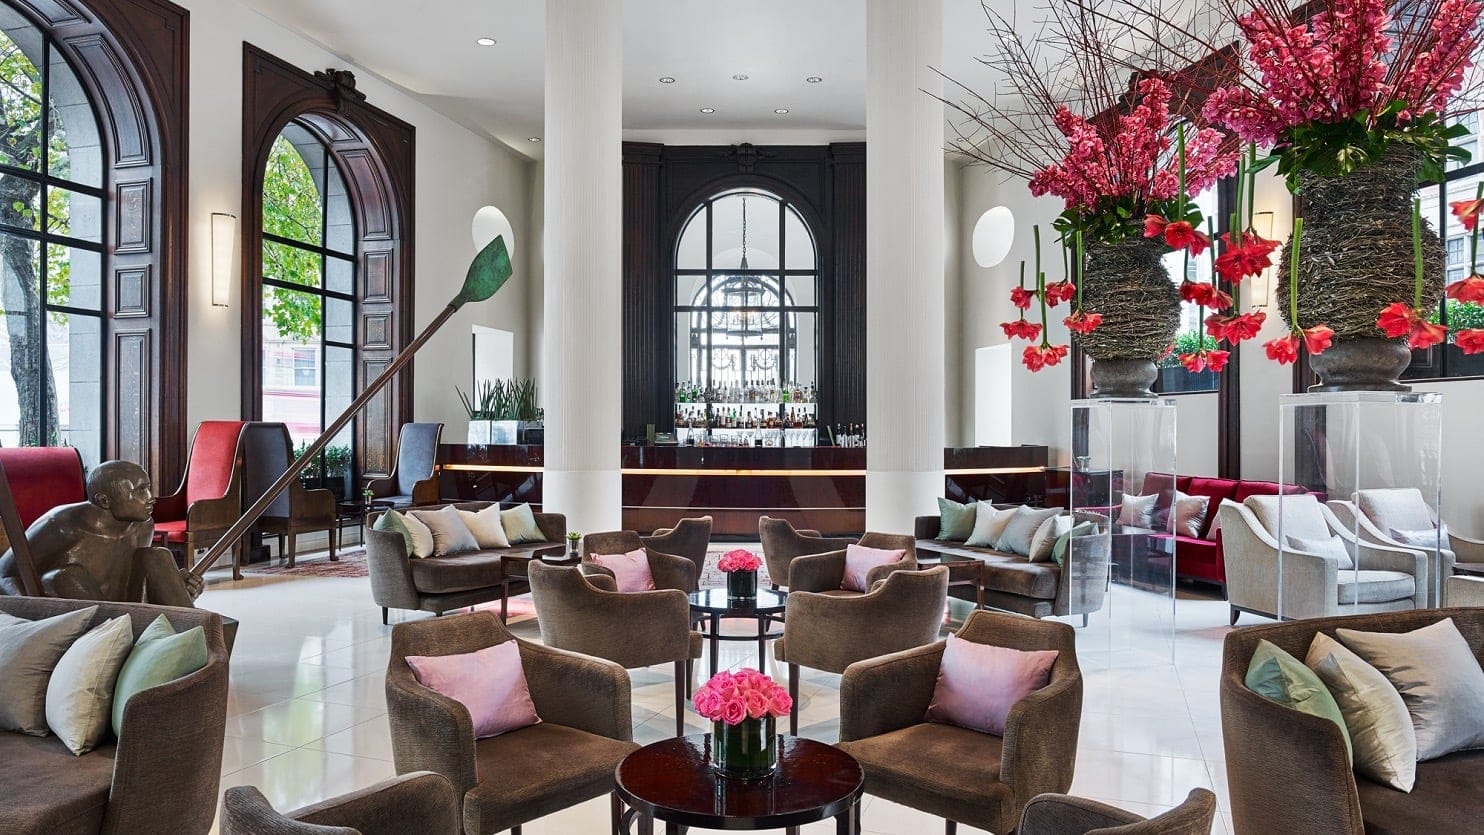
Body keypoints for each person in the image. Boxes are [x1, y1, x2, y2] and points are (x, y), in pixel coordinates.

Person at [0, 460, 203, 605]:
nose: (151, 498)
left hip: (122, 610)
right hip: (76, 617)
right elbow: (4, 576)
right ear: (104, 500)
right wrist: (30, 610)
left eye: (148, 488)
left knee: (157, 556)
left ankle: (195, 629)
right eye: (140, 491)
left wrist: (175, 586)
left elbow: (129, 578)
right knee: (65, 576)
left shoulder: (142, 525)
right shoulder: (63, 525)